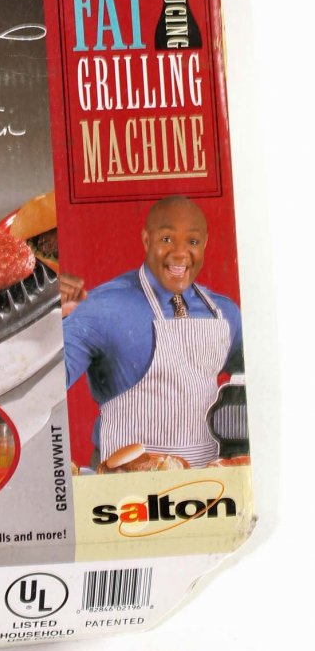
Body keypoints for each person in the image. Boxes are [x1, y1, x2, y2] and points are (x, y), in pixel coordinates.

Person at [63, 196, 243, 468]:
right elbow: (47, 383)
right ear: (147, 240)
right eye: (167, 239)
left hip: (206, 479)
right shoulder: (103, 307)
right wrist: (50, 321)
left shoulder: (224, 312)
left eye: (192, 241)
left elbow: (255, 383)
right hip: (121, 482)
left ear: (205, 244)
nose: (180, 254)